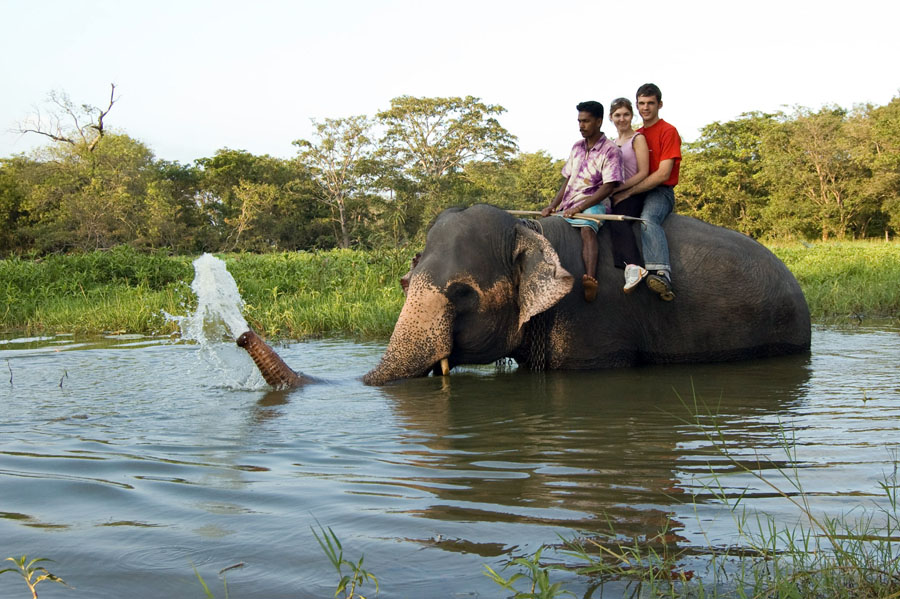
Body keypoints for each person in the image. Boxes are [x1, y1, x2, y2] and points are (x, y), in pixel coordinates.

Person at [541, 101, 622, 302]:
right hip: (569, 204)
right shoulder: (577, 147)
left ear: (599, 122)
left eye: (586, 121)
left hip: (594, 204)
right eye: (579, 121)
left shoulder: (611, 150)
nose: (581, 126)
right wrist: (553, 205)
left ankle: (591, 278)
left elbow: (609, 186)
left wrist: (581, 207)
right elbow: (568, 179)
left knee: (587, 229)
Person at [611, 83, 681, 301]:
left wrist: (628, 192)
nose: (646, 108)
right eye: (641, 103)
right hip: (637, 190)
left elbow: (662, 174)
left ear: (659, 104)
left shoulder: (668, 131)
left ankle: (661, 273)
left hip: (660, 191)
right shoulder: (636, 134)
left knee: (648, 219)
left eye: (651, 103)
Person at [607, 97, 650, 293]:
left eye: (625, 114)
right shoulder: (611, 142)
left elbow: (643, 172)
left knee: (618, 220)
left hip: (634, 192)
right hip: (614, 192)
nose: (622, 119)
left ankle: (634, 265)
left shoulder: (638, 139)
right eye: (617, 115)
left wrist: (621, 190)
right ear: (611, 118)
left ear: (632, 116)